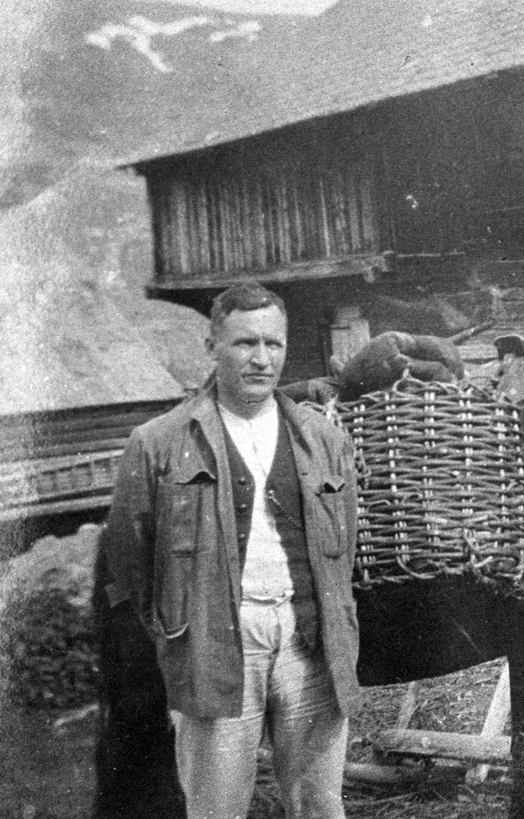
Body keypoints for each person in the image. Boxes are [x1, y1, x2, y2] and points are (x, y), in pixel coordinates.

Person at [99, 282, 361, 818]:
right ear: (211, 347)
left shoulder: (324, 438)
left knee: (319, 807)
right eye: (244, 343)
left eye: (274, 344)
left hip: (309, 642)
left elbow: (346, 544)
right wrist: (181, 628)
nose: (261, 359)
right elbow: (130, 560)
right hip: (215, 647)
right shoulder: (157, 442)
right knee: (216, 808)